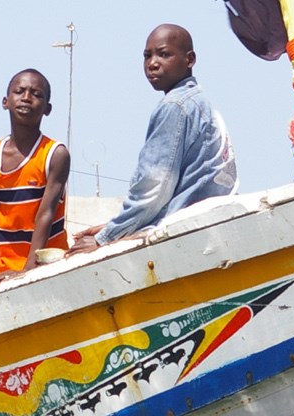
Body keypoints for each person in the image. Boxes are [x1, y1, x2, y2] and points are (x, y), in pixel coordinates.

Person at [73, 24, 237, 253]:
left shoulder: (175, 106)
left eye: (164, 54)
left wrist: (106, 237)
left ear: (189, 60)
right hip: (212, 226)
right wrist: (119, 226)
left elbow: (153, 188)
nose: (152, 63)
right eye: (146, 56)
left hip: (183, 237)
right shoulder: (201, 103)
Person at [0, 69, 71, 283]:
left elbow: (45, 214)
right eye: (19, 91)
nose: (26, 98)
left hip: (47, 267)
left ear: (47, 109)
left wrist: (28, 270)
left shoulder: (54, 154)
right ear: (5, 101)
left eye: (36, 94)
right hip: (2, 272)